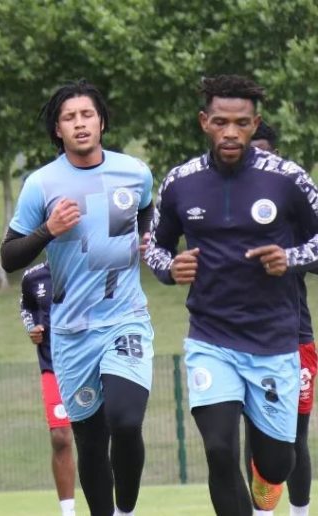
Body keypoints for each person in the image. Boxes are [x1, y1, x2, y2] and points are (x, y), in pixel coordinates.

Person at [144, 75, 318, 516]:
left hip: (275, 342)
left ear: (254, 123)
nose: (230, 132)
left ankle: (270, 479)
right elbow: (155, 247)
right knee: (219, 450)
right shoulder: (181, 181)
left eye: (241, 123)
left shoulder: (288, 178)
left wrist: (291, 257)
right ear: (205, 122)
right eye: (220, 122)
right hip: (210, 340)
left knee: (277, 464)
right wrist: (170, 268)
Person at [0, 80, 155, 516]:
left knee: (126, 421)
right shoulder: (42, 184)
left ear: (101, 122)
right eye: (69, 118)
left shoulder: (135, 172)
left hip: (125, 317)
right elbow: (9, 257)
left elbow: (145, 211)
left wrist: (146, 239)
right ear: (58, 131)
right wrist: (48, 230)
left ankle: (126, 511)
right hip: (70, 333)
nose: (80, 123)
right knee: (89, 438)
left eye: (87, 115)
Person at [241, 121, 315, 516]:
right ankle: (260, 513)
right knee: (252, 435)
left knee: (294, 437)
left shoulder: (291, 208)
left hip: (295, 336)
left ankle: (300, 512)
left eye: (268, 153)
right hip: (237, 339)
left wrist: (290, 256)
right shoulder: (225, 212)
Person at [19, 261, 78, 516]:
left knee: (98, 438)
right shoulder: (33, 277)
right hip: (53, 366)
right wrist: (32, 327)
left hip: (90, 362)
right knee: (60, 438)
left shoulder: (89, 265)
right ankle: (68, 512)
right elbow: (27, 307)